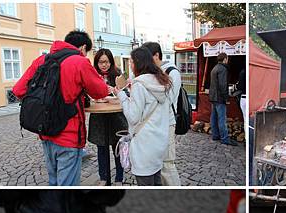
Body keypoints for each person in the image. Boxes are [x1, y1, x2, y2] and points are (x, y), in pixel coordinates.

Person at [13, 30, 108, 186]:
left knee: (54, 182)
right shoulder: (79, 62)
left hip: (45, 132)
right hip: (69, 136)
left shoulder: (41, 60)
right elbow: (100, 92)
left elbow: (18, 91)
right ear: (83, 47)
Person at [111, 47, 171, 186]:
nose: (130, 66)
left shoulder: (139, 84)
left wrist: (121, 95)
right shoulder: (161, 80)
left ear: (138, 63)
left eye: (131, 62)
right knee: (156, 181)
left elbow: (133, 117)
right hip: (159, 142)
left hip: (144, 145)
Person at [141, 42, 182, 186]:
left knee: (167, 164)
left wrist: (145, 85)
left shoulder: (172, 72)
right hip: (155, 124)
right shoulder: (152, 73)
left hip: (167, 122)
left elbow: (167, 98)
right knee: (157, 163)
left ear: (156, 55)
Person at [87, 49, 128, 186]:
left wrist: (114, 92)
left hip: (116, 117)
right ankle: (103, 177)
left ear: (111, 61)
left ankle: (119, 178)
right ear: (96, 62)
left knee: (118, 148)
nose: (104, 65)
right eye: (100, 62)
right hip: (99, 117)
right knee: (101, 148)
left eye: (106, 62)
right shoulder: (92, 75)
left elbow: (126, 93)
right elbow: (88, 94)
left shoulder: (118, 75)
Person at [209, 52, 237, 146]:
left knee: (214, 117)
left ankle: (215, 135)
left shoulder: (214, 68)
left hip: (213, 97)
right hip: (219, 97)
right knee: (221, 119)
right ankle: (224, 138)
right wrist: (226, 98)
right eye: (227, 58)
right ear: (225, 59)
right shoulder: (223, 69)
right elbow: (222, 85)